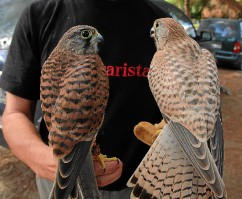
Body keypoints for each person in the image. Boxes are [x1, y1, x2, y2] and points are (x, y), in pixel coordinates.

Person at [0, 0, 168, 198]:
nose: (98, 37)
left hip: (142, 184)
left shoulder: (161, 23)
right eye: (88, 35)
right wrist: (53, 164)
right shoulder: (39, 14)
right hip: (55, 175)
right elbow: (14, 113)